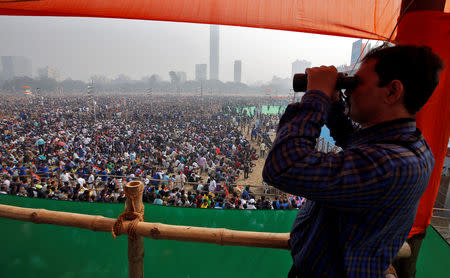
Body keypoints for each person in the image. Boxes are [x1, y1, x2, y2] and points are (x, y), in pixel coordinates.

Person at [262, 45, 444, 278]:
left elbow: (282, 166)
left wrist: (315, 97)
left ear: (392, 91)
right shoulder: (407, 147)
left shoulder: (390, 164)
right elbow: (355, 141)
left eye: (356, 83)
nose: (349, 92)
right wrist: (334, 104)